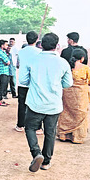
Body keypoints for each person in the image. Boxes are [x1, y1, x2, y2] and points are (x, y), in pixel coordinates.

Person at [19, 33, 73, 172]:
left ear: (41, 44)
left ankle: (36, 153)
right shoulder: (63, 62)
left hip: (35, 103)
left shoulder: (33, 60)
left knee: (30, 128)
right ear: (56, 46)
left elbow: (23, 81)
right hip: (53, 104)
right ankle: (46, 162)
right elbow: (67, 84)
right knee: (50, 132)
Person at [57, 49, 90, 144]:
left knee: (66, 111)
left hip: (67, 92)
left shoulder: (68, 67)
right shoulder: (85, 68)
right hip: (81, 93)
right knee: (80, 112)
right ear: (82, 58)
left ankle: (64, 135)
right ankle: (77, 137)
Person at [15, 31, 41, 132]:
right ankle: (37, 127)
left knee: (22, 104)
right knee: (36, 105)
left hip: (22, 82)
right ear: (36, 39)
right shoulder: (39, 52)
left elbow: (18, 64)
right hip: (35, 82)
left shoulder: (21, 52)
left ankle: (20, 125)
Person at [0, 39, 10, 106]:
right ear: (2, 45)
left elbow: (7, 62)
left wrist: (6, 62)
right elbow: (7, 62)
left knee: (4, 86)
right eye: (6, 45)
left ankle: (1, 99)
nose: (7, 46)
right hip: (2, 72)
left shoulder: (3, 52)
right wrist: (6, 62)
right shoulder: (0, 53)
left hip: (6, 72)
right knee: (2, 86)